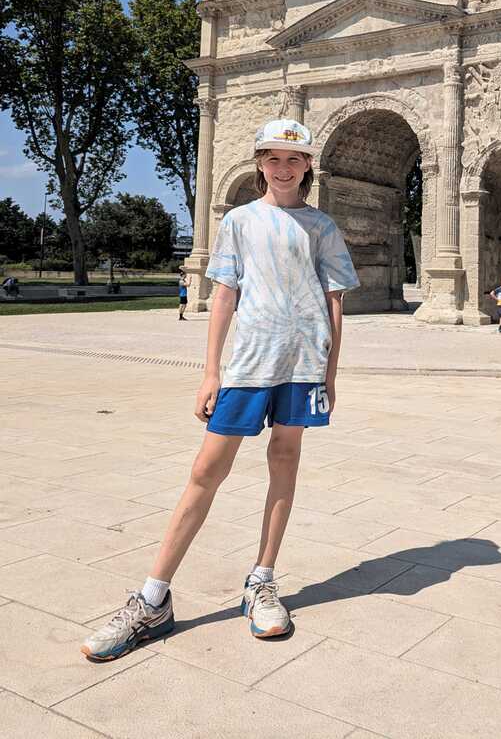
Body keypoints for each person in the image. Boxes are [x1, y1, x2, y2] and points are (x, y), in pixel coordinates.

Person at [80, 118, 359, 661]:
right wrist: (211, 370)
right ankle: (152, 595)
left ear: (307, 167)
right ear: (260, 164)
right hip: (248, 363)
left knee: (286, 460)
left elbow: (335, 300)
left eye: (293, 158)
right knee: (206, 470)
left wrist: (331, 371)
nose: (283, 168)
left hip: (302, 363)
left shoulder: (322, 226)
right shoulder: (238, 221)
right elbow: (224, 294)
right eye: (273, 158)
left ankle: (262, 580)